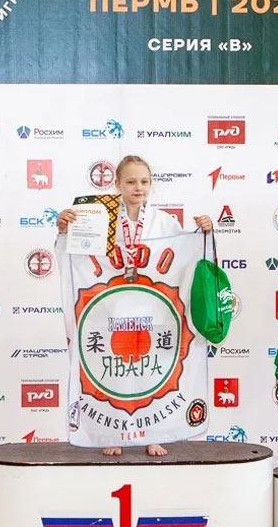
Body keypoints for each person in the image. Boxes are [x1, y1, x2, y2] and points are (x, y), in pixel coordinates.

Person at [55, 155, 212, 458]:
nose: (138, 188)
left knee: (151, 374)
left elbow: (187, 255)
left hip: (152, 312)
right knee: (112, 374)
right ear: (117, 184)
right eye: (130, 181)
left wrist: (204, 233)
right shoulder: (98, 218)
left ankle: (153, 435)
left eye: (144, 181)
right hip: (110, 311)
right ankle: (111, 434)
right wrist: (65, 230)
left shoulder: (164, 221)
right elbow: (75, 257)